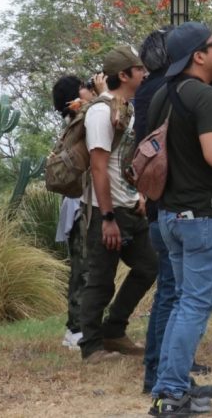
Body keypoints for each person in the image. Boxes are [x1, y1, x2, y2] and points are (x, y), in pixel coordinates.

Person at [135, 26, 212, 394]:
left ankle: (169, 381)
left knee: (182, 301)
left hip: (170, 215)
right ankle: (172, 389)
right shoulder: (203, 95)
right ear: (199, 55)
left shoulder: (161, 96)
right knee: (195, 304)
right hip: (203, 217)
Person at [77, 45, 158, 364]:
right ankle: (92, 347)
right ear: (123, 75)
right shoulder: (99, 112)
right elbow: (99, 167)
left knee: (149, 266)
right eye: (139, 70)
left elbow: (125, 159)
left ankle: (114, 329)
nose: (144, 74)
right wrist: (107, 217)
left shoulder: (126, 108)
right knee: (101, 277)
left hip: (129, 205)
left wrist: (140, 193)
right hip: (105, 210)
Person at [51, 74, 96, 350]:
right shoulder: (79, 123)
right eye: (83, 88)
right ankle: (76, 329)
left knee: (86, 267)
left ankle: (79, 326)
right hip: (79, 205)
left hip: (81, 203)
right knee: (83, 268)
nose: (89, 90)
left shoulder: (79, 122)